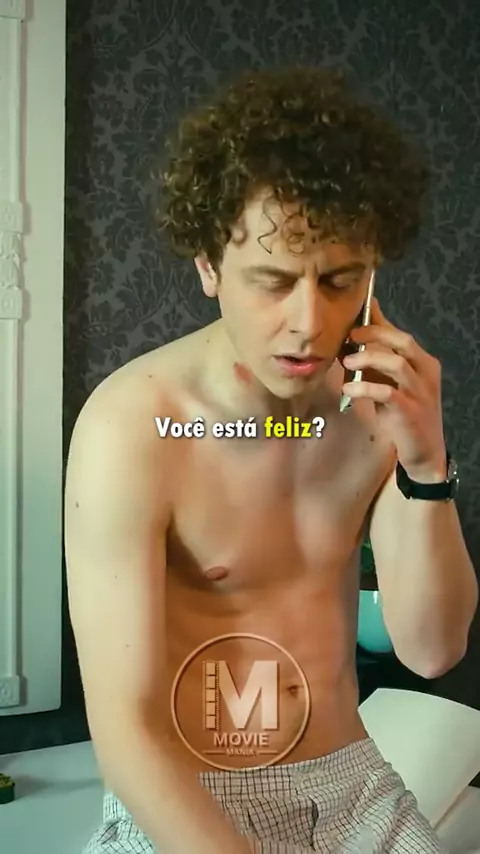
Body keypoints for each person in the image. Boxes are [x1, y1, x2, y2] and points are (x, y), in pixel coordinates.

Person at [65, 65, 478, 854]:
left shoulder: (378, 406)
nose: (308, 322)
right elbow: (125, 730)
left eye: (339, 280)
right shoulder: (133, 428)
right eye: (272, 281)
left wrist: (426, 461)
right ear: (208, 266)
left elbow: (432, 650)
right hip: (190, 793)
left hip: (354, 788)